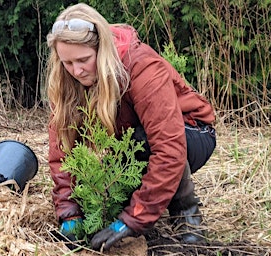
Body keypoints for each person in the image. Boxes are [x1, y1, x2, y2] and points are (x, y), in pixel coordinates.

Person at [46, 3, 216, 251]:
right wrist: (69, 212)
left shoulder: (142, 67)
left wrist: (133, 219)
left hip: (191, 132)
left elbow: (169, 147)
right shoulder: (67, 78)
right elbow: (62, 151)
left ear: (101, 49)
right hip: (132, 140)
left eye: (83, 60)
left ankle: (187, 216)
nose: (77, 70)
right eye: (68, 63)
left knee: (142, 142)